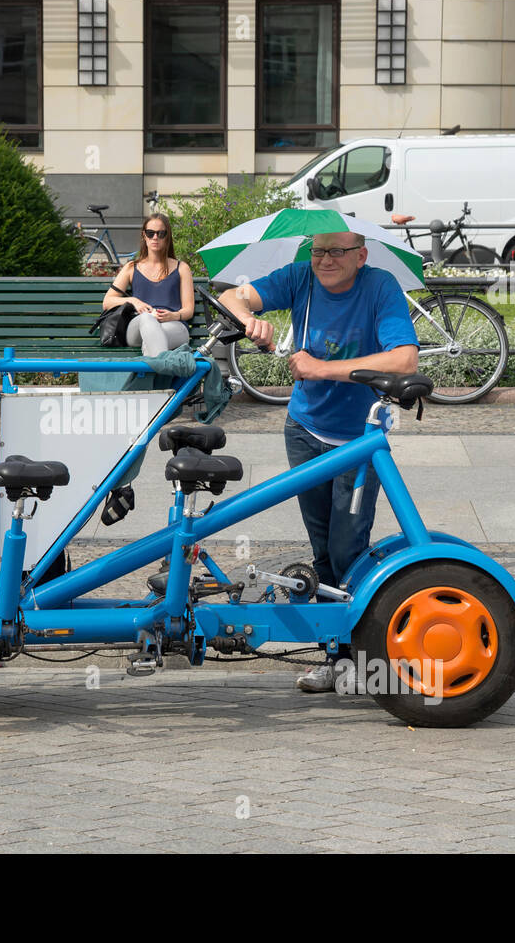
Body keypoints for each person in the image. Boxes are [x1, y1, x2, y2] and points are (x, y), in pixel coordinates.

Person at [218, 231, 419, 693]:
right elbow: (232, 297)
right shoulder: (299, 278)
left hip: (357, 439)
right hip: (304, 430)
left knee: (350, 548)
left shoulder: (379, 286)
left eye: (337, 251)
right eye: (318, 250)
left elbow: (405, 359)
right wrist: (252, 320)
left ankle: (360, 658)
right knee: (323, 547)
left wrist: (319, 369)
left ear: (361, 255)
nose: (325, 259)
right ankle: (337, 658)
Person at [102, 214, 194, 356]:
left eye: (161, 233)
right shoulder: (131, 267)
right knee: (147, 319)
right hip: (137, 327)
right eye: (150, 233)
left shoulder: (182, 268)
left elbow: (188, 310)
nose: (155, 238)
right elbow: (107, 302)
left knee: (151, 341)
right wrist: (133, 301)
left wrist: (174, 315)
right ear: (144, 236)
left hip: (174, 326)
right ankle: (166, 368)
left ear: (167, 236)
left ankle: (153, 375)